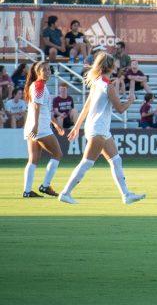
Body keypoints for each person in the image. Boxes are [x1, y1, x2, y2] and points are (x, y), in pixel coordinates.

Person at [59, 52, 145, 205]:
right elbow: (120, 109)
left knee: (116, 160)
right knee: (87, 163)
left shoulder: (98, 81)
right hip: (98, 128)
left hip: (100, 128)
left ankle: (126, 195)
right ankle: (65, 193)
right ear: (111, 66)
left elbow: (86, 107)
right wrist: (131, 100)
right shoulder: (108, 86)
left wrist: (77, 127)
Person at [21, 62, 65, 197]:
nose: (48, 72)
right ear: (38, 72)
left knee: (33, 158)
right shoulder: (39, 85)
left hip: (33, 126)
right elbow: (36, 107)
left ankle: (27, 191)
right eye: (44, 70)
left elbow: (43, 108)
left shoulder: (37, 85)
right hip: (40, 127)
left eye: (49, 69)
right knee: (58, 154)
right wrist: (36, 125)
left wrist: (56, 124)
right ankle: (45, 186)